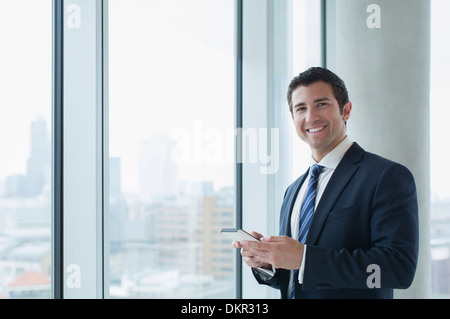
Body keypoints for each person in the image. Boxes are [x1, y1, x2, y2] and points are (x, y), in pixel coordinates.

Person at [233, 67, 419, 299]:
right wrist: (268, 263)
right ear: (293, 118)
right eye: (301, 108)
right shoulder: (294, 190)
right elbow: (298, 279)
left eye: (321, 104)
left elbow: (397, 269)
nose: (310, 117)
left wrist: (304, 258)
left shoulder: (386, 176)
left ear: (346, 110)